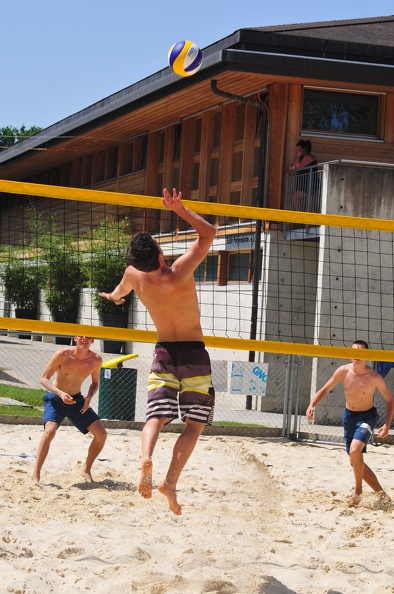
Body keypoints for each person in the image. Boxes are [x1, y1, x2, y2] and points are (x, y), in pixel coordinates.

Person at [99, 187, 216, 515]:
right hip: (193, 352)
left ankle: (146, 457)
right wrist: (179, 209)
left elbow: (120, 290)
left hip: (163, 351)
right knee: (194, 424)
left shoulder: (134, 275)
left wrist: (112, 297)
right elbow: (210, 233)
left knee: (155, 416)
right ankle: (170, 482)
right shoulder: (179, 271)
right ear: (160, 256)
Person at [306, 340, 394, 507]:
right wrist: (312, 404)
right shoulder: (343, 371)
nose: (356, 356)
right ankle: (382, 496)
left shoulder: (374, 376)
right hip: (349, 417)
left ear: (367, 354)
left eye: (360, 352)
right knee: (355, 459)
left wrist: (387, 424)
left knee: (354, 451)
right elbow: (324, 389)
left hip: (367, 417)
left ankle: (358, 493)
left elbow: (390, 400)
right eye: (354, 352)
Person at [32, 336, 107, 484]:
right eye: (81, 335)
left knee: (101, 435)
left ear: (93, 340)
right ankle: (36, 475)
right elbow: (44, 378)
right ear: (75, 338)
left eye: (88, 336)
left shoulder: (96, 360)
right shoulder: (62, 354)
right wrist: (60, 393)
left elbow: (95, 383)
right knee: (50, 431)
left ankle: (86, 469)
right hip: (56, 397)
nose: (84, 339)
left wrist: (89, 397)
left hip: (77, 401)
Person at [289, 139, 318, 210]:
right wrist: (294, 166)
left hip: (310, 184)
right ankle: (302, 216)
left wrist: (298, 158)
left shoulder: (308, 157)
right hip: (304, 184)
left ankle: (300, 216)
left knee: (295, 197)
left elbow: (299, 167)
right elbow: (291, 167)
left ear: (304, 150)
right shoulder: (302, 158)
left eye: (299, 150)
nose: (298, 152)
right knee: (305, 202)